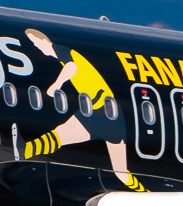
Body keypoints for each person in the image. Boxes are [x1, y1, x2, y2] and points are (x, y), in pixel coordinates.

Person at [19, 28, 143, 191]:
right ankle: (25, 150)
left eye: (36, 43)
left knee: (120, 173)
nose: (36, 47)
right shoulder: (60, 55)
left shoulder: (63, 51)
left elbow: (72, 67)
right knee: (61, 133)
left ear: (44, 41)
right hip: (93, 112)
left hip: (107, 114)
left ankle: (147, 194)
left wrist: (56, 86)